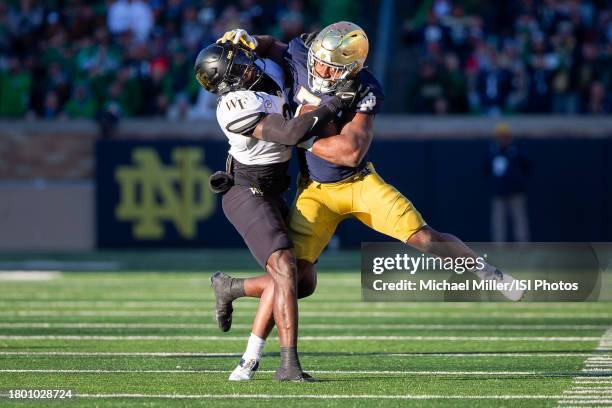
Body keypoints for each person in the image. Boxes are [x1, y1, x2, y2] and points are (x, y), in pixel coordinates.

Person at [214, 22, 525, 381]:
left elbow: (350, 152)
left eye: (332, 66)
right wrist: (250, 39)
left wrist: (299, 138)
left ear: (351, 68)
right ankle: (249, 358)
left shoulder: (366, 87)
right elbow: (269, 46)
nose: (321, 70)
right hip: (314, 190)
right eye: (319, 60)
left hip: (359, 183)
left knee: (423, 237)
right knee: (289, 277)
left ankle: (486, 272)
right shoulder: (302, 54)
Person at [194, 41, 368, 381]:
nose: (248, 66)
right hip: (246, 190)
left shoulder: (264, 73)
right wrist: (334, 102)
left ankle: (232, 287)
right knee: (285, 267)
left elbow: (276, 49)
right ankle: (286, 364)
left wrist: (250, 39)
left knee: (304, 280)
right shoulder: (233, 105)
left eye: (244, 61)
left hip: (276, 189)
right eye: (238, 67)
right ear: (225, 83)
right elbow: (289, 133)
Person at [486, 122, 531, 242]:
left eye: (505, 136)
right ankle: (499, 245)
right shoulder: (492, 152)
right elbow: (485, 169)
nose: (502, 139)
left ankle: (523, 245)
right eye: (500, 136)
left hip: (516, 191)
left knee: (519, 219)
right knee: (498, 220)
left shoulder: (516, 151)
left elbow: (527, 167)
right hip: (499, 192)